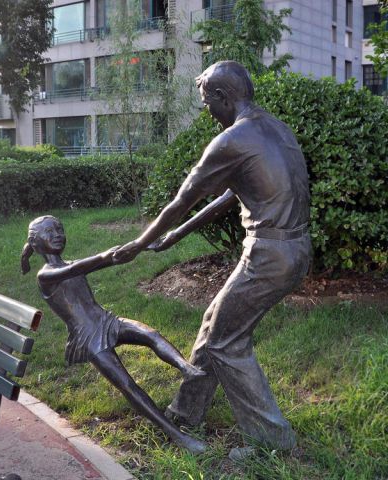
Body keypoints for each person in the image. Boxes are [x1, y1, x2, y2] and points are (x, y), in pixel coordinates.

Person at [112, 60, 311, 452]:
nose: (208, 111)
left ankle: (273, 440)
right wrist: (176, 235)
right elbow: (233, 193)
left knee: (226, 342)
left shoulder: (231, 140)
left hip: (269, 255)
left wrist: (139, 242)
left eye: (207, 104)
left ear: (223, 97)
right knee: (216, 322)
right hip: (295, 248)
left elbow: (181, 200)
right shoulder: (275, 129)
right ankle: (186, 411)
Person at [20, 215, 207, 454]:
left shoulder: (71, 265)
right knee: (127, 385)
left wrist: (140, 246)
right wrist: (106, 256)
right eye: (49, 232)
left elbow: (103, 260)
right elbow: (77, 268)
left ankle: (186, 368)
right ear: (35, 243)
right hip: (87, 337)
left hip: (107, 321)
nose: (57, 235)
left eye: (59, 229)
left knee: (150, 334)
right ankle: (178, 436)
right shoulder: (45, 275)